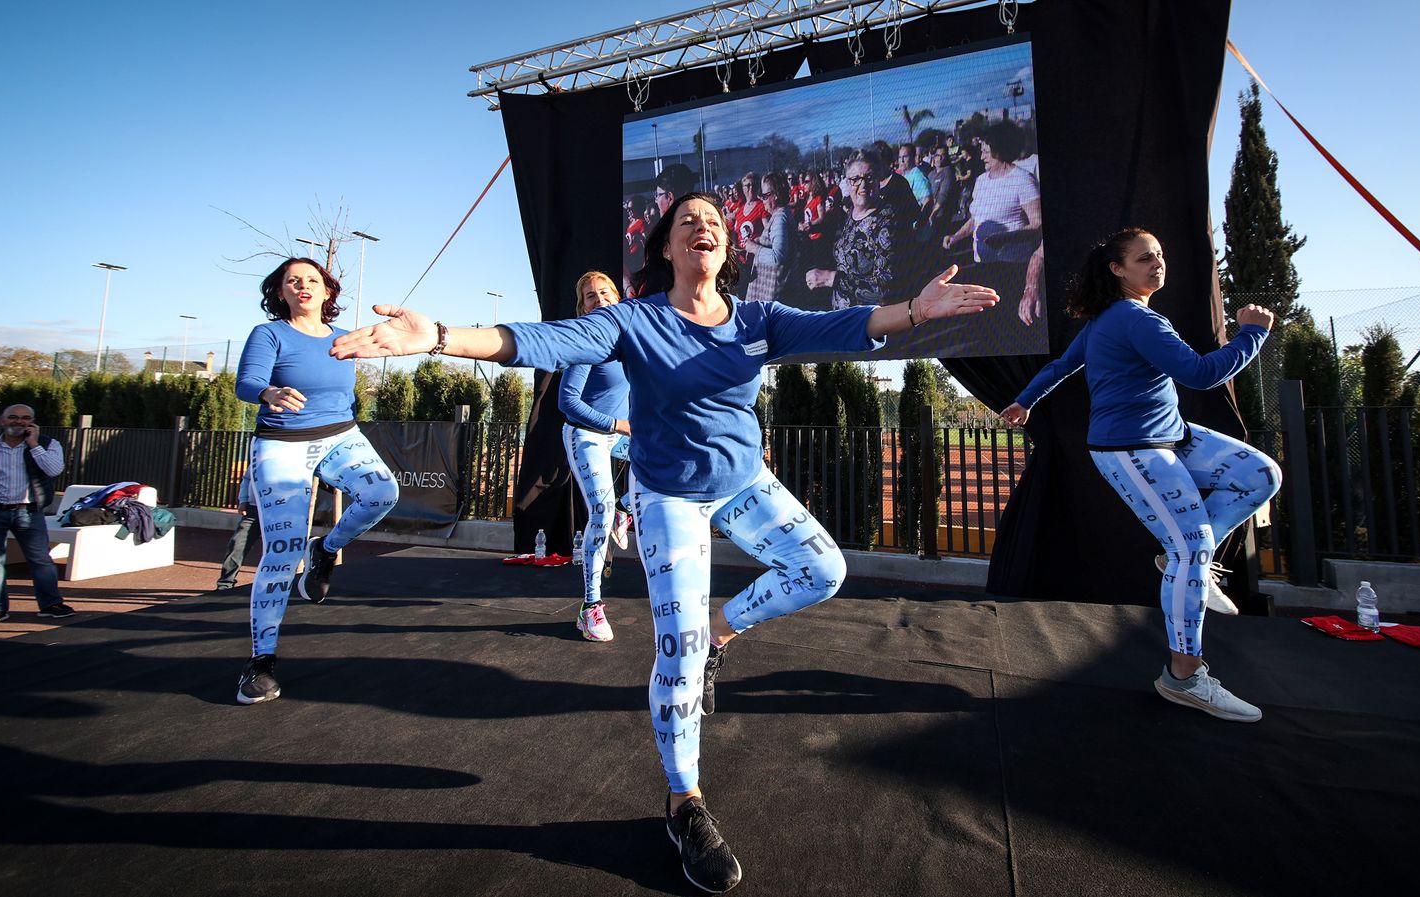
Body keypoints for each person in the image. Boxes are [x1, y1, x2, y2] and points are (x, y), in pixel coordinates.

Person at [331, 192, 998, 893]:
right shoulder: (637, 319)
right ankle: (686, 802)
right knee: (675, 655)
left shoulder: (758, 319)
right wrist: (436, 334)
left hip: (743, 482)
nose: (704, 225)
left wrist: (918, 311)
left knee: (822, 568)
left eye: (714, 220)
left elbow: (848, 323)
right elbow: (543, 339)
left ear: (725, 249)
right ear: (668, 250)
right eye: (688, 221)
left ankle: (721, 629)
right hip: (669, 495)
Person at [1001, 228, 1280, 723]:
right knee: (1188, 549)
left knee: (1260, 475)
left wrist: (1025, 400)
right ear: (1118, 269)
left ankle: (1193, 560)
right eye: (1145, 258)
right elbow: (1200, 373)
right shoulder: (1132, 318)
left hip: (1171, 436)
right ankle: (1184, 677)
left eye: (1160, 256)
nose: (1158, 264)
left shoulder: (1113, 318)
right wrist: (1253, 333)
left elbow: (1064, 366)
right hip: (1131, 451)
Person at [233, 257, 400, 705]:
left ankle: (325, 550)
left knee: (383, 492)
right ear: (281, 292)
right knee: (281, 553)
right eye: (293, 281)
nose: (302, 286)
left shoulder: (341, 340)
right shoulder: (269, 334)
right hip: (282, 443)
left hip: (340, 435)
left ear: (328, 291)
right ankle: (261, 660)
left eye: (311, 280)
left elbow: (389, 345)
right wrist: (267, 392)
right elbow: (245, 383)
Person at [560, 272, 632, 642]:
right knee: (600, 513)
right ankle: (590, 608)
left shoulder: (630, 341)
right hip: (586, 433)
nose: (599, 299)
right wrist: (617, 423)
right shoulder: (586, 344)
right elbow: (567, 403)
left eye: (605, 293)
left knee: (665, 453)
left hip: (619, 436)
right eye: (590, 296)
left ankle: (627, 512)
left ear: (618, 298)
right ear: (582, 307)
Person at [0, 404, 76, 626]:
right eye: (13, 417)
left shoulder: (48, 445)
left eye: (25, 418)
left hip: (29, 512)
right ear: (2, 420)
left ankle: (51, 604)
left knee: (40, 560)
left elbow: (54, 470)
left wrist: (33, 444)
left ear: (32, 422)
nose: (18, 421)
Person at [805, 154, 904, 309]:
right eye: (855, 179)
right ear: (847, 182)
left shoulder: (887, 221)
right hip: (843, 314)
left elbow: (885, 289)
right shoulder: (852, 213)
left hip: (869, 320)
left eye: (869, 177)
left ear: (878, 180)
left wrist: (830, 278)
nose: (863, 185)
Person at [943, 121, 1041, 264]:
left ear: (1000, 151)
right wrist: (955, 236)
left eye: (986, 152)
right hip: (982, 262)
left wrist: (1006, 237)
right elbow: (976, 219)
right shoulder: (981, 181)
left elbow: (1037, 224)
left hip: (1012, 263)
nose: (982, 157)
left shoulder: (1023, 180)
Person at [743, 171, 796, 302]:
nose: (762, 200)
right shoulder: (782, 214)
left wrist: (753, 247)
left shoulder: (779, 219)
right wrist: (760, 240)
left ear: (776, 195)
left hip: (772, 293)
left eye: (765, 195)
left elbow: (777, 256)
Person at [215, 464, 261, 591]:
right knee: (237, 544)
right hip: (253, 509)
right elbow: (247, 478)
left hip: (280, 511)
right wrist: (243, 500)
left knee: (278, 548)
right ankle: (225, 584)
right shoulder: (260, 452)